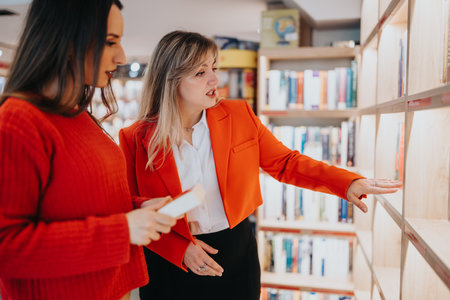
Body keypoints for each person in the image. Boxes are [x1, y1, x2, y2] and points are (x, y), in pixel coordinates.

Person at [119, 30, 402, 300]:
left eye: (214, 68)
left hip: (235, 256)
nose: (215, 80)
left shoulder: (238, 115)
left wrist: (347, 182)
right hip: (170, 265)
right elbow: (131, 209)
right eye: (200, 72)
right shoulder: (135, 138)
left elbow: (285, 162)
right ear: (171, 80)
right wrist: (179, 249)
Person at [0, 1, 178, 299]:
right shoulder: (19, 121)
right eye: (110, 42)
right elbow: (7, 247)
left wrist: (135, 210)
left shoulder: (77, 113)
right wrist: (123, 230)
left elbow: (74, 201)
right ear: (65, 40)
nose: (121, 56)